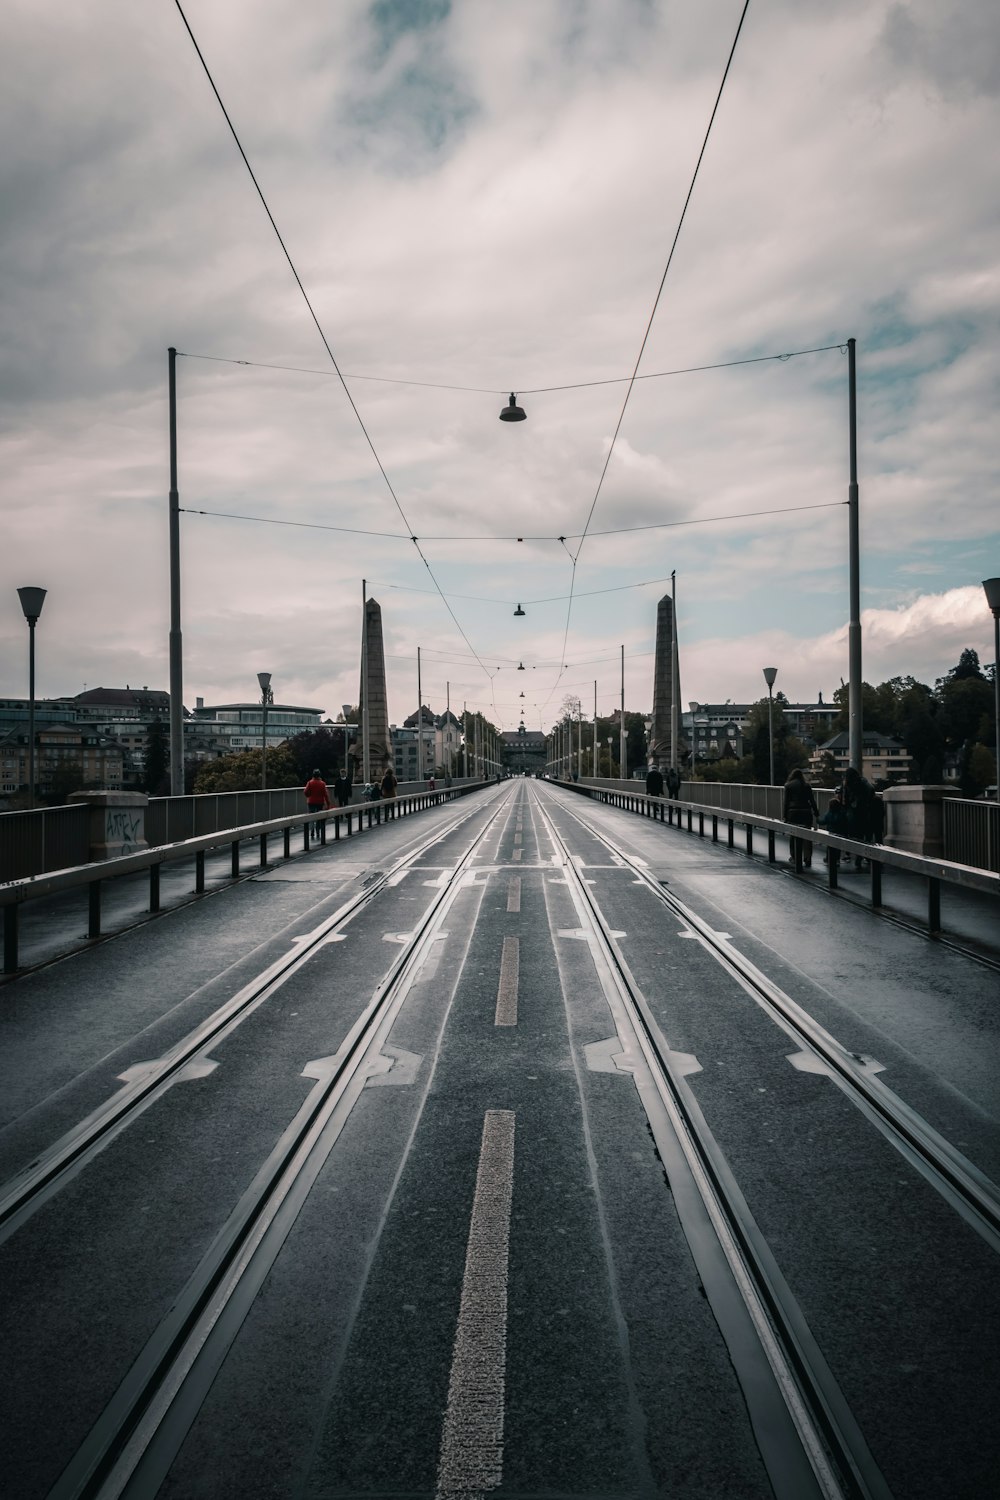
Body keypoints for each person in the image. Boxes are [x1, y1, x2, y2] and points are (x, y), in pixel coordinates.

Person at [841, 766, 881, 869]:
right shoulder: (864, 784)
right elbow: (871, 792)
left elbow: (845, 800)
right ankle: (864, 857)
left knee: (857, 837)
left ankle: (858, 858)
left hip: (855, 814)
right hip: (866, 813)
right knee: (866, 836)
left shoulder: (847, 785)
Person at [782, 767, 818, 867]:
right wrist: (816, 812)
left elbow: (786, 802)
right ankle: (807, 858)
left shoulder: (788, 786)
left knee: (793, 834)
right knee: (807, 836)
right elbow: (812, 800)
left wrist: (784, 816)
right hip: (806, 812)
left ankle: (794, 856)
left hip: (793, 812)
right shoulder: (807, 786)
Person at [303, 768, 330, 841]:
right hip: (319, 802)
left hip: (311, 802)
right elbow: (325, 794)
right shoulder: (322, 783)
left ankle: (312, 831)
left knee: (311, 816)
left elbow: (305, 792)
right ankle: (318, 831)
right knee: (319, 817)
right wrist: (328, 804)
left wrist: (308, 795)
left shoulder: (310, 782)